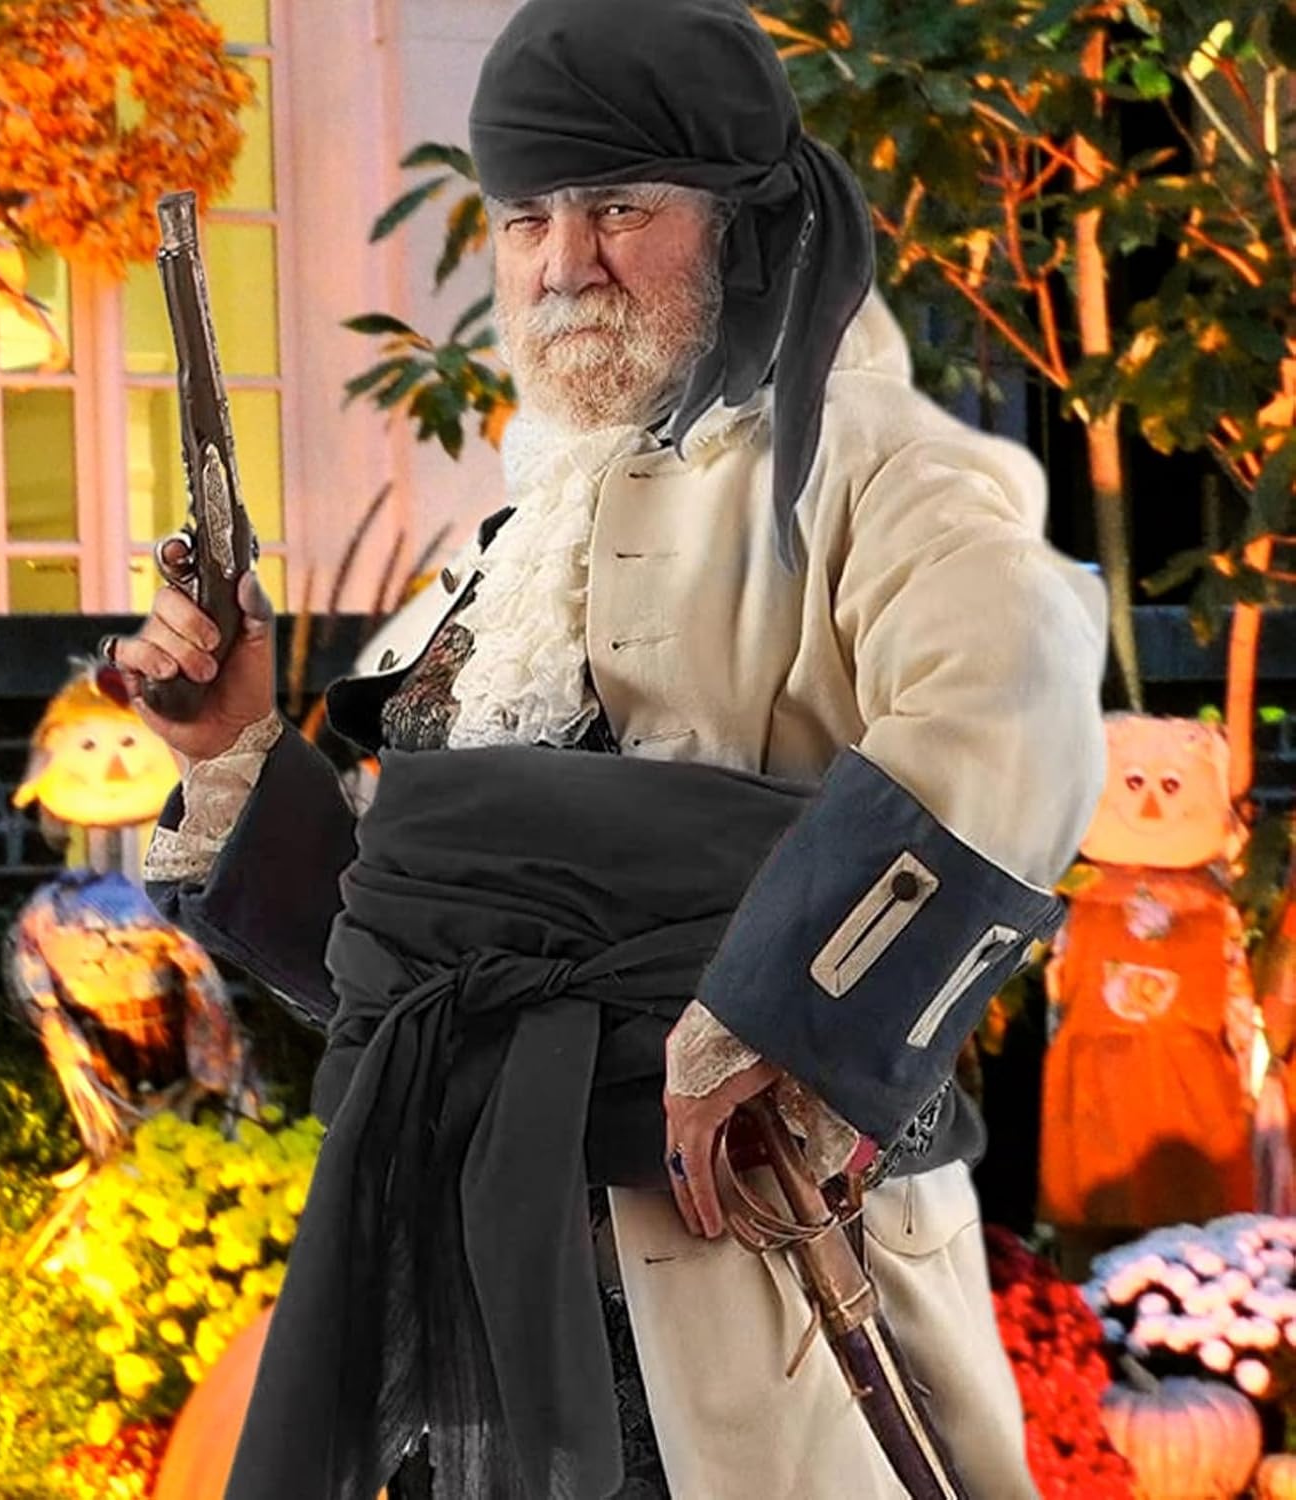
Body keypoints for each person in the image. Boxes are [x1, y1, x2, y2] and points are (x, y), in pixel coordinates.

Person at [108, 0, 1109, 1494]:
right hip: (474, 1290)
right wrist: (236, 746)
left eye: (620, 210)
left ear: (741, 224)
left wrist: (777, 1013)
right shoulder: (514, 541)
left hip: (748, 1268)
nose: (563, 262)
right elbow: (405, 956)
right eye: (528, 219)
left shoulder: (871, 467)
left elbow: (1013, 692)